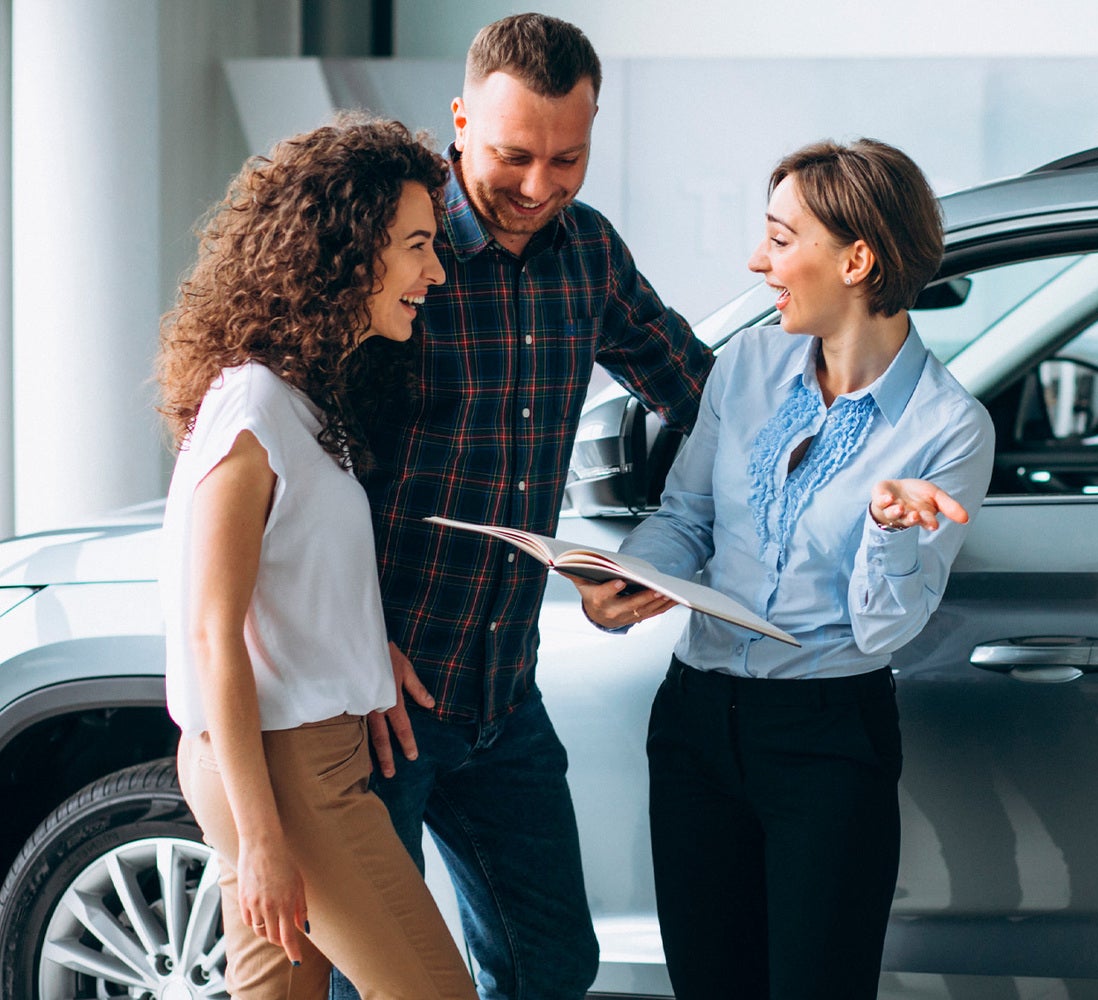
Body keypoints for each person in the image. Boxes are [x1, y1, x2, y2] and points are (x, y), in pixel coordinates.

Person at [330, 13, 714, 1000]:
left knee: (551, 968)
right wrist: (354, 639)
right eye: (512, 156)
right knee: (367, 977)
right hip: (379, 702)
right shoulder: (391, 257)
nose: (539, 188)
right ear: (459, 122)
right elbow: (307, 468)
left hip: (504, 694)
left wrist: (673, 543)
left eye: (568, 158)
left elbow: (700, 394)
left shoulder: (587, 254)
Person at [575, 138, 997, 1000]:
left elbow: (886, 628)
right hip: (694, 725)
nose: (758, 260)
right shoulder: (746, 368)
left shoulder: (951, 428)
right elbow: (689, 517)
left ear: (856, 259)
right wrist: (636, 577)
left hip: (825, 741)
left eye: (779, 237)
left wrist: (889, 530)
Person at [157, 117, 478, 1000]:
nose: (436, 272)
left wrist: (359, 650)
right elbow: (213, 631)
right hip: (282, 774)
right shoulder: (254, 404)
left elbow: (286, 585)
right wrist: (262, 838)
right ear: (346, 249)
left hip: (295, 760)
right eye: (417, 246)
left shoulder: (300, 397)